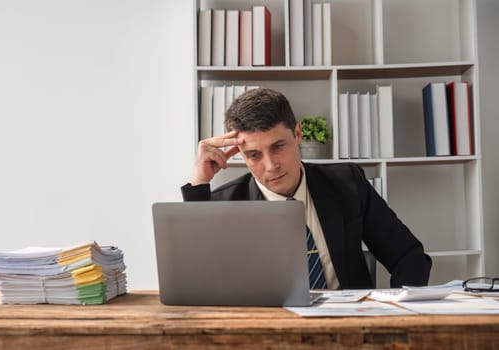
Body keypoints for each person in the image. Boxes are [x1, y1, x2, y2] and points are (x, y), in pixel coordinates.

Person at [181, 87, 432, 289]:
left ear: (298, 133)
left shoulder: (347, 182)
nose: (271, 166)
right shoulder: (226, 204)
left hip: (349, 330)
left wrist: (394, 312)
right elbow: (195, 281)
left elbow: (409, 256)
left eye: (278, 146)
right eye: (254, 155)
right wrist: (198, 184)